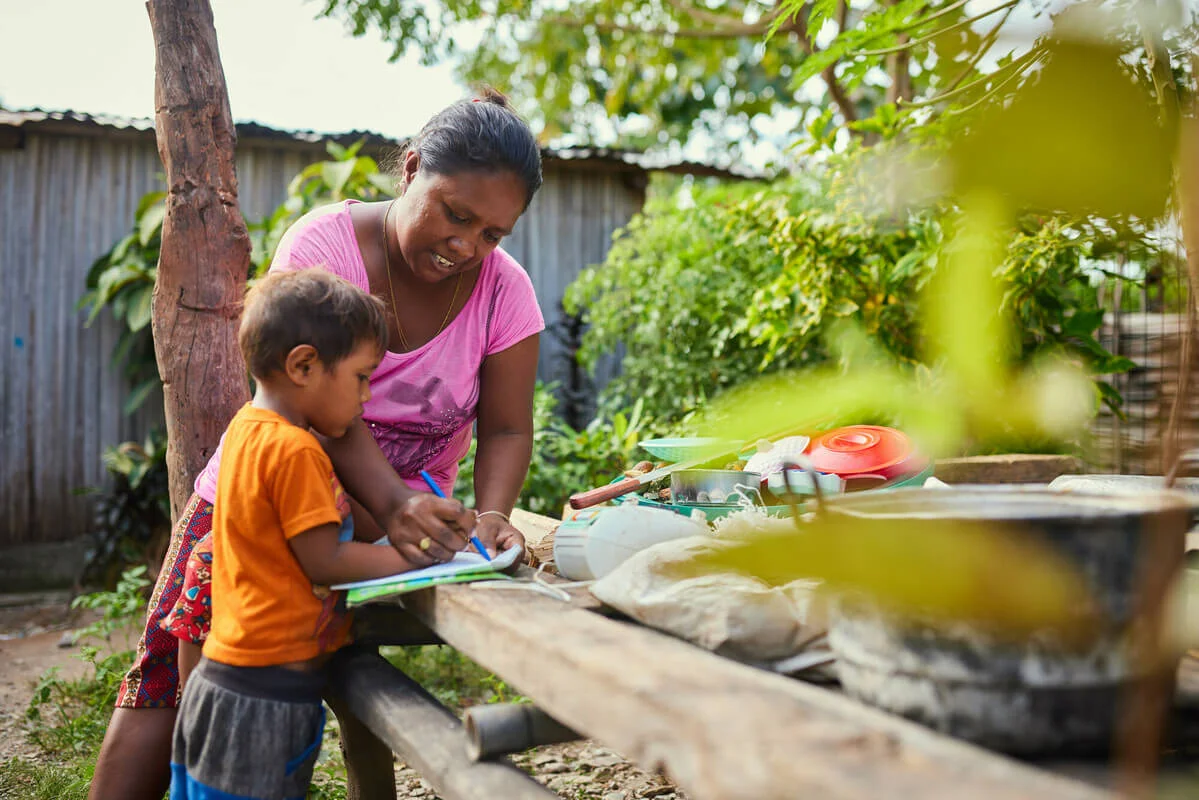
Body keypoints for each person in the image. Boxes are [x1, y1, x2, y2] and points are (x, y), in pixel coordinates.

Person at [88, 89, 545, 800]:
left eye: (492, 233)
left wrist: (489, 513)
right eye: (456, 214)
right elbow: (307, 410)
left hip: (394, 526)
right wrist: (392, 506)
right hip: (265, 511)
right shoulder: (324, 245)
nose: (467, 246)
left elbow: (509, 427)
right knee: (175, 681)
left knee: (330, 688)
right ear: (412, 168)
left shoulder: (503, 291)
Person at [171, 267, 419, 798]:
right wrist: (416, 558)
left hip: (232, 684)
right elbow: (324, 560)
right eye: (361, 376)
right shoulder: (295, 449)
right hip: (262, 697)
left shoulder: (245, 431)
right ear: (304, 365)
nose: (367, 396)